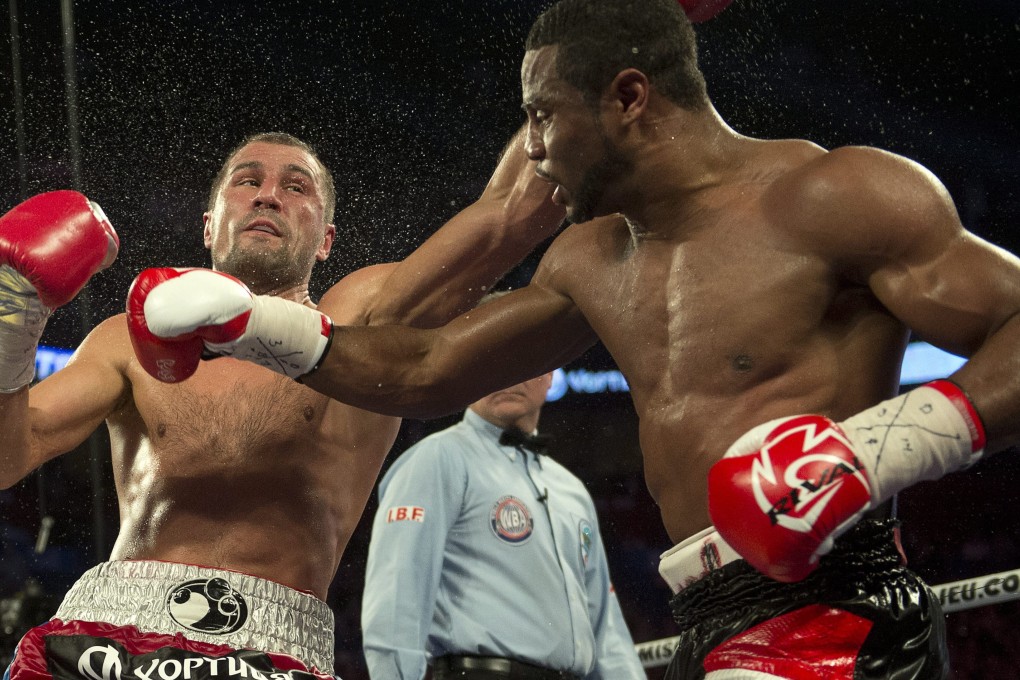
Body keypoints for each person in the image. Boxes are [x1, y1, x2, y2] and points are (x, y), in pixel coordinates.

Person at [132, 0, 1020, 678]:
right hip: (708, 611)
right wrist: (255, 325)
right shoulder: (592, 259)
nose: (535, 152)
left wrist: (870, 453)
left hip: (832, 608)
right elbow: (427, 366)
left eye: (543, 116)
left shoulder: (833, 197)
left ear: (628, 98)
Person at [0, 127, 562, 680]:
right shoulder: (123, 338)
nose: (268, 195)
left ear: (326, 240)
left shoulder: (364, 321)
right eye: (248, 181)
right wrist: (12, 328)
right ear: (209, 226)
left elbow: (506, 219)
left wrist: (557, 103)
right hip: (106, 630)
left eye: (296, 187)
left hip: (273, 647)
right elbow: (10, 455)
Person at [360, 343, 645, 680]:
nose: (506, 376)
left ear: (549, 374)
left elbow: (606, 629)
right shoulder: (437, 459)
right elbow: (396, 601)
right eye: (490, 362)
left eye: (520, 361)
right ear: (467, 377)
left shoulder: (572, 491)